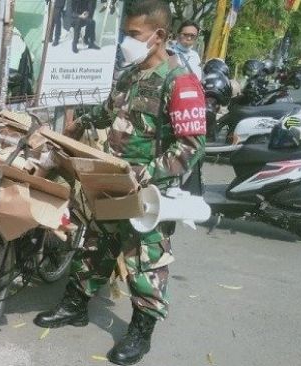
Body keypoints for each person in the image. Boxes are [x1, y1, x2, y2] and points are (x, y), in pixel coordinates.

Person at [34, 1, 206, 365]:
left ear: (158, 36)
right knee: (94, 246)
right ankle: (75, 306)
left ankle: (141, 332)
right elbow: (108, 112)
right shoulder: (131, 75)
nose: (127, 42)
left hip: (146, 192)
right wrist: (77, 124)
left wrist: (144, 175)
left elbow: (190, 146)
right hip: (112, 182)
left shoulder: (180, 82)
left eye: (133, 34)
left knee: (146, 262)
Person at [0, 5, 34, 101]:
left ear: (0, 24)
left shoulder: (14, 40)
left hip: (18, 97)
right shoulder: (3, 41)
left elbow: (11, 74)